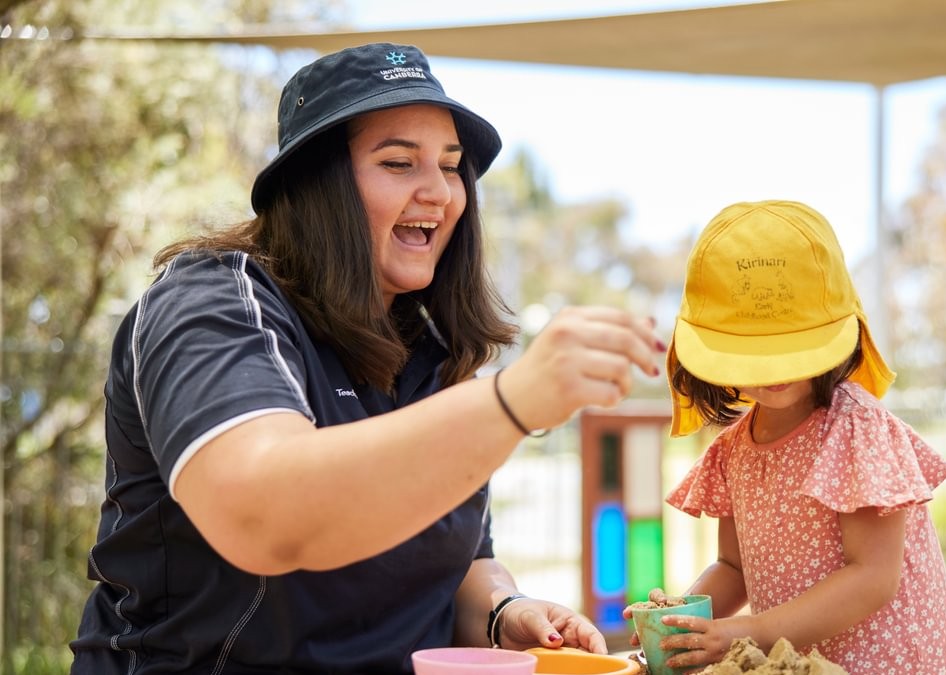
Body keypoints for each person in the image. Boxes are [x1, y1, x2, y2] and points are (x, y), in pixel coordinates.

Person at [70, 42, 664, 674]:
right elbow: (264, 516)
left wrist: (502, 610)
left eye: (451, 166)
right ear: (315, 183)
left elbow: (463, 561)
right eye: (399, 162)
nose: (440, 192)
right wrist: (512, 401)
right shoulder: (213, 300)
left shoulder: (436, 351)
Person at [626, 200, 946, 674]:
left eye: (791, 347)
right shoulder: (734, 450)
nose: (774, 370)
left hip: (902, 664)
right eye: (753, 353)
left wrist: (746, 631)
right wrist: (682, 623)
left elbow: (872, 578)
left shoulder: (854, 429)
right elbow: (734, 568)